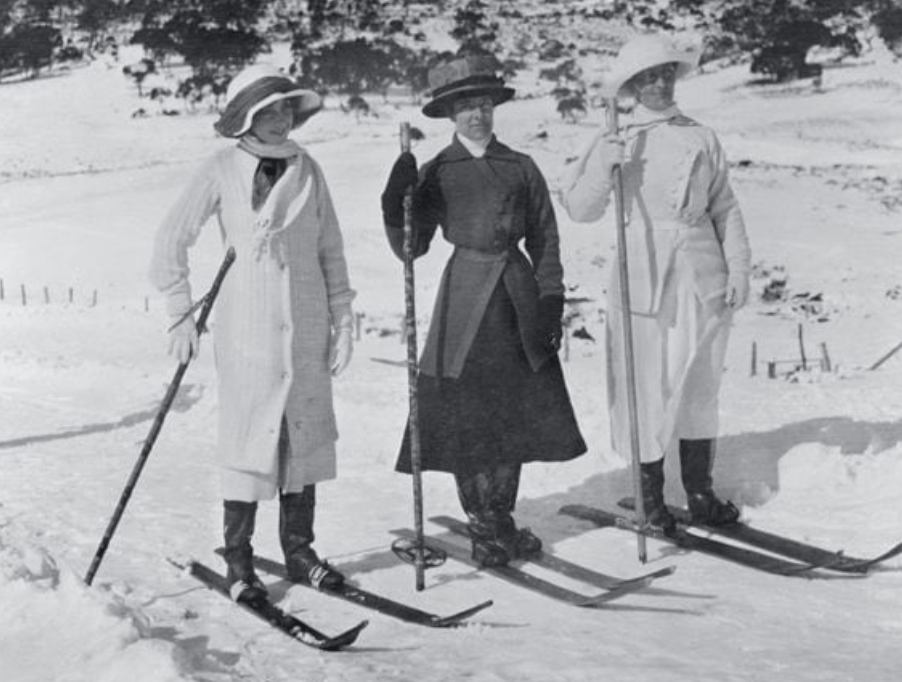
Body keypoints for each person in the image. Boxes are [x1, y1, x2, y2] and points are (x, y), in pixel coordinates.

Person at [149, 64, 356, 603]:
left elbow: (329, 249)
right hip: (247, 329)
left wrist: (343, 315)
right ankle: (240, 560)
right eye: (269, 110)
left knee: (302, 435)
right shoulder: (221, 168)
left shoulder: (309, 169)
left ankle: (300, 551)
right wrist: (180, 311)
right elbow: (172, 239)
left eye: (288, 108)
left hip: (306, 326)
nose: (281, 118)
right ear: (247, 115)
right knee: (248, 438)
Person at [380, 54, 587, 567]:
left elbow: (544, 236)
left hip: (515, 301)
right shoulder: (438, 172)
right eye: (466, 107)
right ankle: (482, 524)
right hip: (464, 303)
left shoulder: (520, 166)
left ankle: (502, 518)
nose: (477, 115)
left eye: (484, 104)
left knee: (512, 414)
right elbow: (412, 248)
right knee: (467, 418)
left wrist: (550, 299)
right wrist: (395, 203)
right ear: (450, 114)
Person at [561, 33, 752, 534]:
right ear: (632, 86)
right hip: (644, 277)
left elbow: (725, 208)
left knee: (699, 386)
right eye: (648, 76)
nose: (660, 83)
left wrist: (738, 269)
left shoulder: (703, 136)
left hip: (703, 275)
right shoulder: (615, 138)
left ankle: (701, 493)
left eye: (666, 72)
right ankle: (650, 498)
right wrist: (604, 168)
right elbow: (581, 209)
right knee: (646, 387)